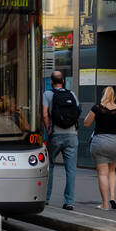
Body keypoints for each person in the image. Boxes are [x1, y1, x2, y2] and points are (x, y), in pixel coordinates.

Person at [83, 86, 116, 210]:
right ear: (114, 96)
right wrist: (115, 125)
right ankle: (113, 198)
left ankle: (105, 204)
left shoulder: (97, 108)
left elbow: (86, 123)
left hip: (100, 142)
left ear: (103, 95)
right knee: (112, 171)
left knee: (103, 174)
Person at [43, 71, 80, 210]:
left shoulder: (47, 94)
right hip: (72, 136)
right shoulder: (72, 94)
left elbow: (44, 114)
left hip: (55, 135)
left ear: (51, 82)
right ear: (63, 81)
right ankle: (69, 202)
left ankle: (45, 198)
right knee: (71, 170)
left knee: (49, 166)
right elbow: (77, 112)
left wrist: (48, 130)